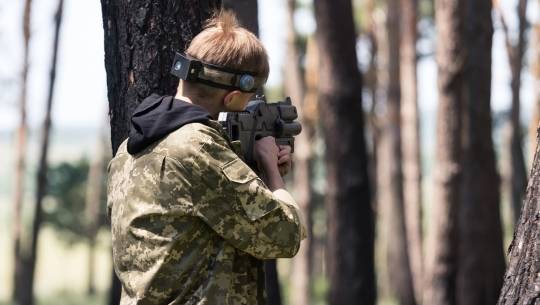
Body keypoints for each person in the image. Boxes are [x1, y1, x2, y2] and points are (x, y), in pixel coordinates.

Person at [107, 10, 306, 305]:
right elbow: (284, 234)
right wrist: (270, 170)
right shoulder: (198, 149)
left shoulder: (128, 149)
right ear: (233, 98)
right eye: (250, 98)